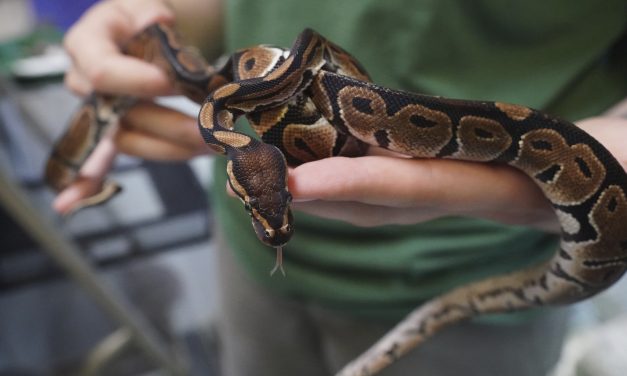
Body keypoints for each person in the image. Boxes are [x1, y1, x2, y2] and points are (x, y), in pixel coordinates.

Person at [56, 0, 627, 375]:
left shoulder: (239, 122)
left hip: (473, 269)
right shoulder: (246, 152)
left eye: (272, 207)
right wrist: (156, 19)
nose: (276, 222)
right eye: (270, 208)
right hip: (251, 274)